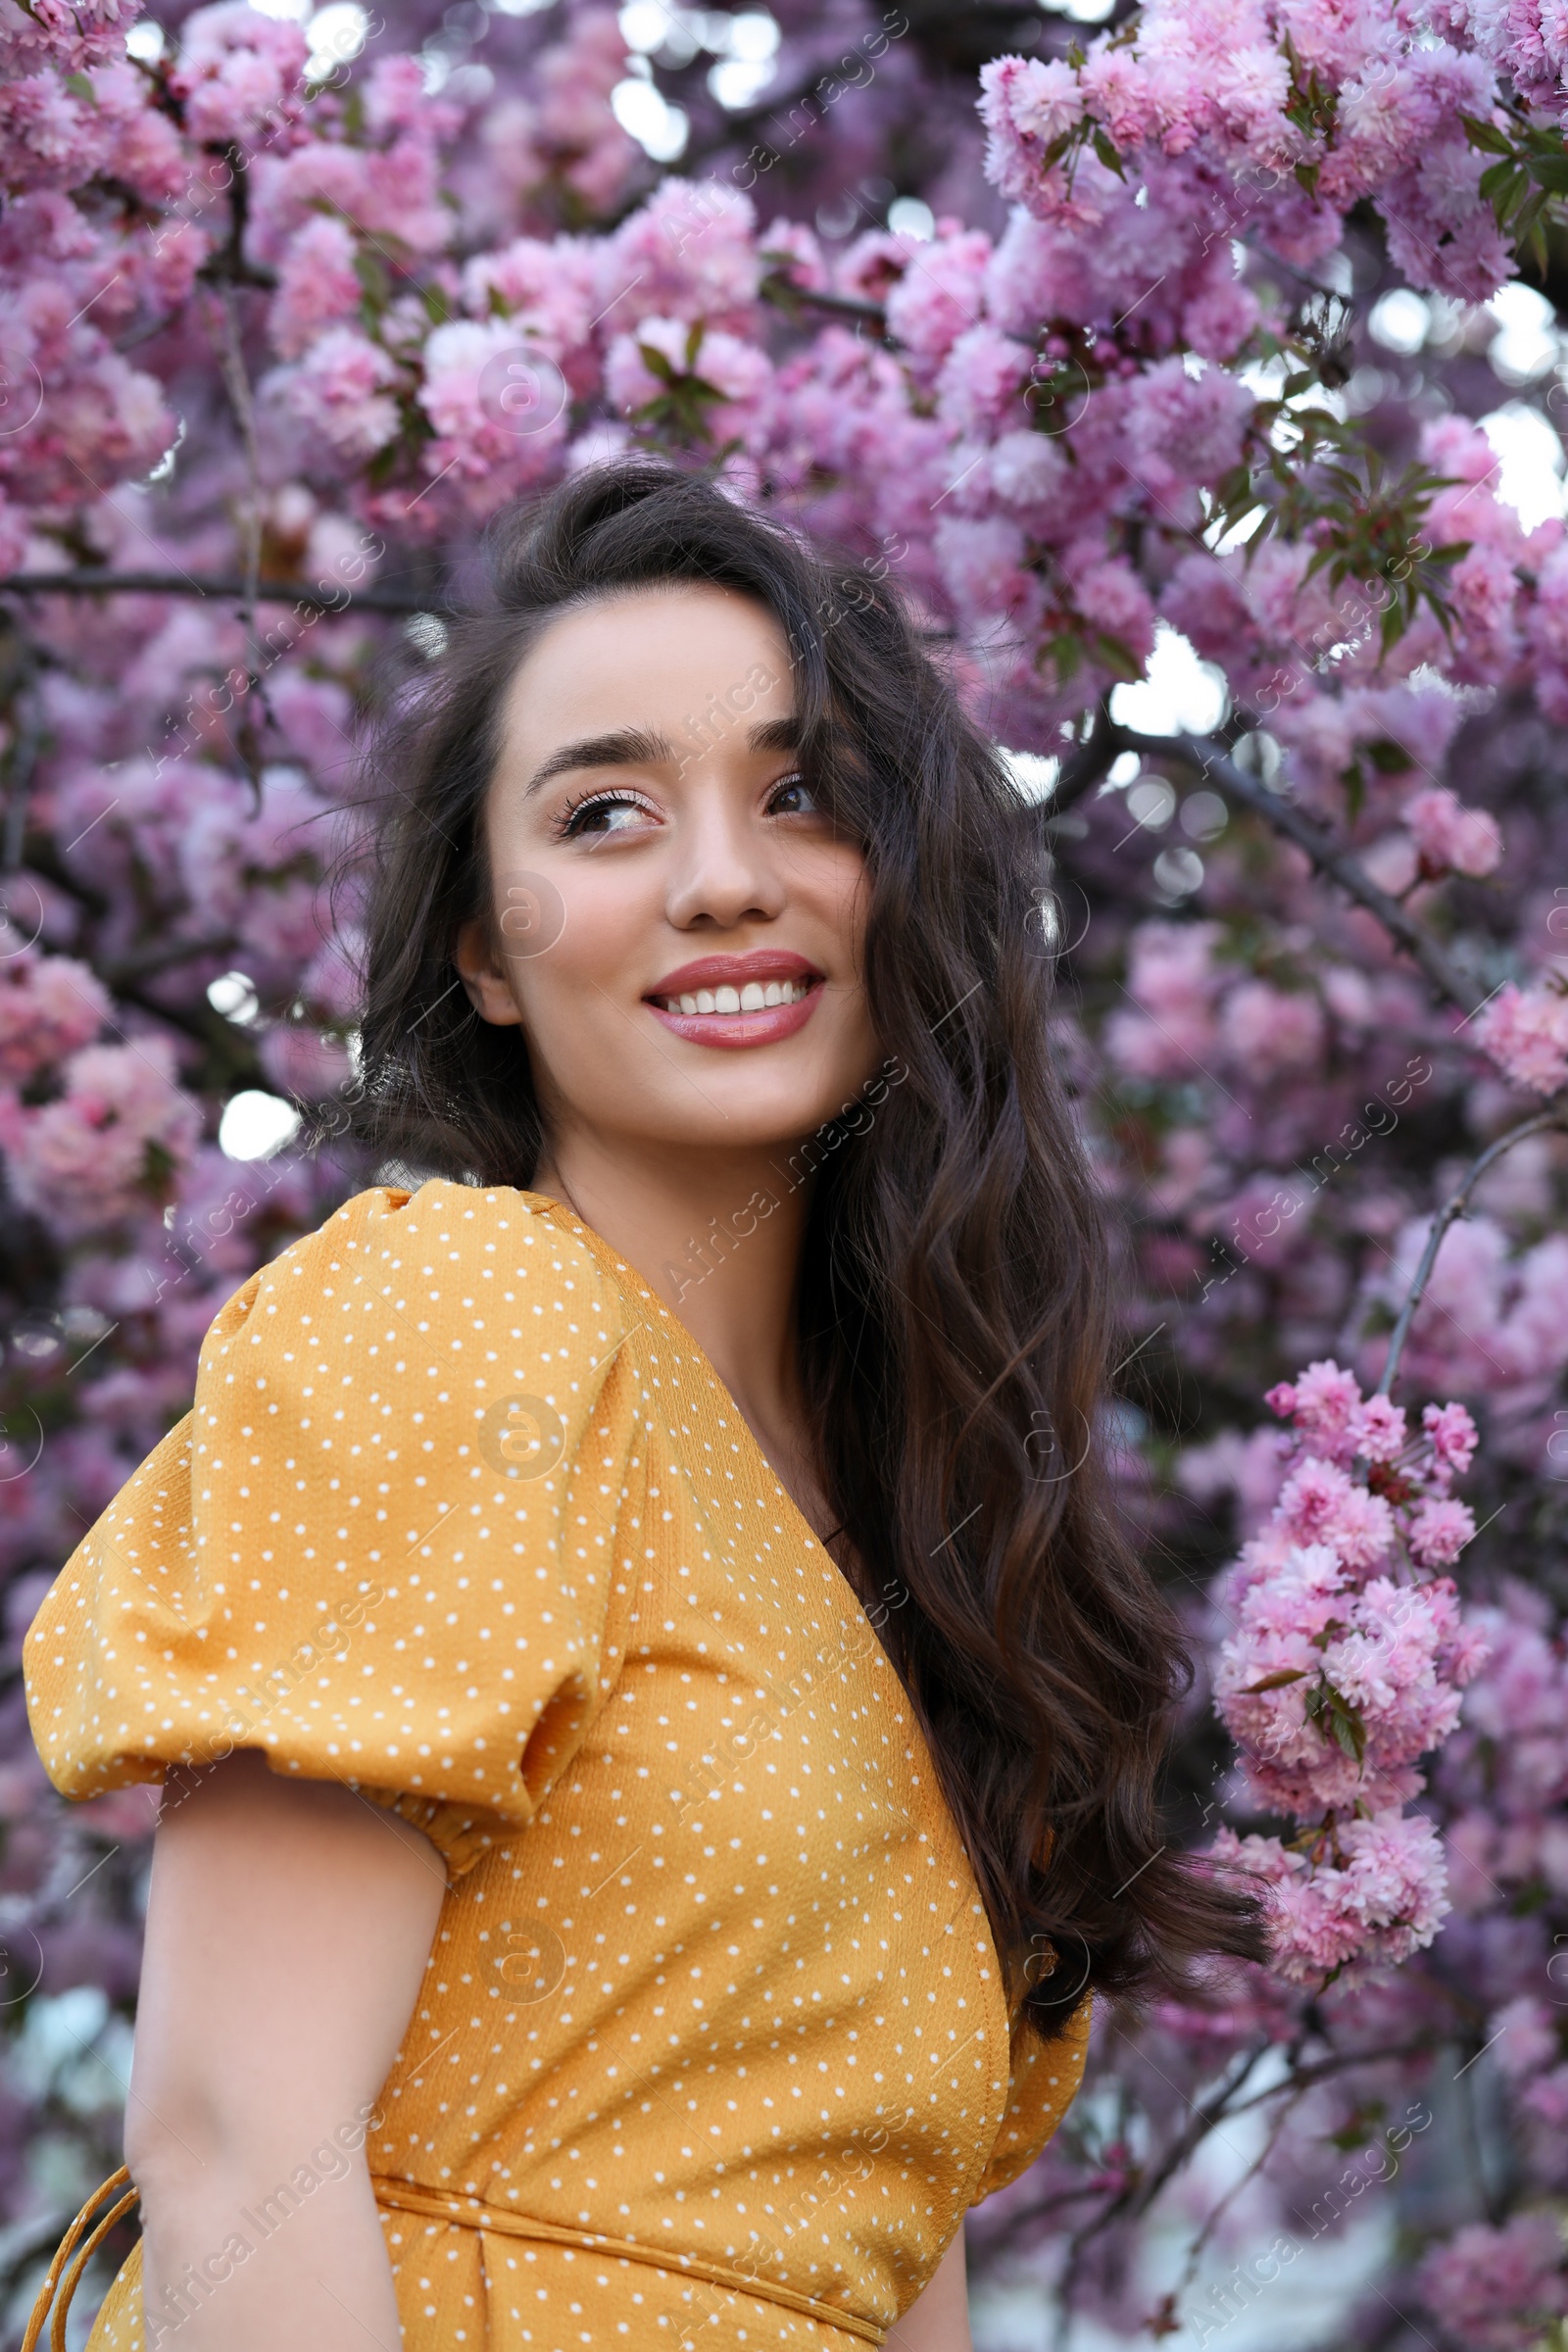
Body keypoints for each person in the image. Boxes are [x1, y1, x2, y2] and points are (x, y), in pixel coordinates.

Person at [24, 457, 1265, 2352]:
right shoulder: (465, 1313)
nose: (720, 878)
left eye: (802, 797)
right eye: (607, 813)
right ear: (483, 950)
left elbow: (866, 2269)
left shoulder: (925, 1541)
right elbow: (232, 2142)